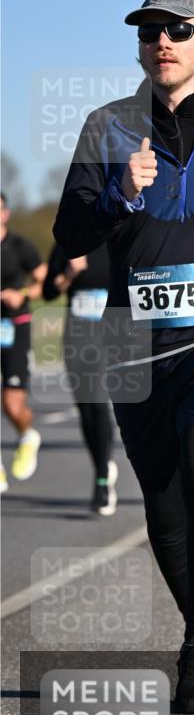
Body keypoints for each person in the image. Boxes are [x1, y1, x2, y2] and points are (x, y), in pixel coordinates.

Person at [53, 0, 194, 712]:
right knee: (159, 494)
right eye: (152, 32)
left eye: (179, 31)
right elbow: (70, 234)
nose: (164, 41)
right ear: (141, 48)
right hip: (131, 336)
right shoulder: (107, 128)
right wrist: (119, 195)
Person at [42, 243, 118, 514]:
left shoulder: (118, 236)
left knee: (97, 402)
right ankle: (102, 464)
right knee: (85, 409)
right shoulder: (69, 242)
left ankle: (101, 481)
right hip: (76, 333)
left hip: (111, 330)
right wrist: (70, 274)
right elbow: (48, 292)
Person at [0, 191, 47, 491]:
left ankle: (28, 435)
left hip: (15, 327)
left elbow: (44, 281)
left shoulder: (19, 246)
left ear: (6, 212)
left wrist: (23, 295)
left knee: (12, 404)